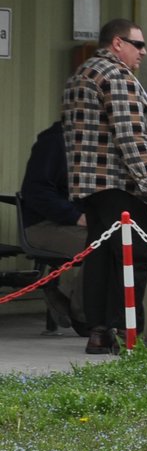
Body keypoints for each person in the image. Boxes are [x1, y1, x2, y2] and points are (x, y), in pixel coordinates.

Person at [62, 18, 147, 355]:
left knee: (99, 259)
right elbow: (130, 135)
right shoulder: (116, 76)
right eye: (138, 45)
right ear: (117, 44)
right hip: (121, 186)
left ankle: (99, 333)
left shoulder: (81, 74)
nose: (144, 51)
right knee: (134, 259)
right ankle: (129, 335)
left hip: (91, 187)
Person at [19, 120, 87, 333]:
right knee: (101, 246)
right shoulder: (54, 140)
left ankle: (69, 296)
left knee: (118, 243)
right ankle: (82, 313)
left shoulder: (94, 140)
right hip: (42, 225)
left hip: (74, 222)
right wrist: (76, 216)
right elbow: (36, 191)